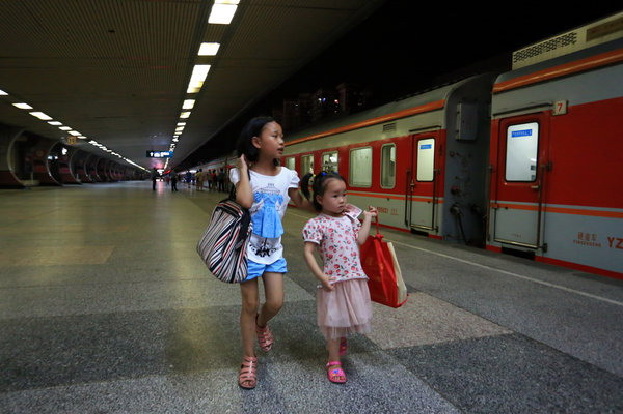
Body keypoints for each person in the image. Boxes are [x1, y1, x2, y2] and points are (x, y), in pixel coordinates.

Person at [230, 116, 313, 389]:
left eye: (281, 136)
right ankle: (248, 359)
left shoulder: (288, 175)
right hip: (247, 251)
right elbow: (244, 201)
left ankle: (261, 325)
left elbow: (300, 202)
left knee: (275, 302)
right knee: (249, 305)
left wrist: (332, 208)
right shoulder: (243, 175)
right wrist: (243, 169)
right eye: (275, 136)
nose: (282, 141)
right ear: (256, 142)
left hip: (274, 251)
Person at [301, 171, 377, 384]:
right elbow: (308, 253)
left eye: (344, 194)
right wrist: (321, 276)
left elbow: (361, 239)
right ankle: (333, 362)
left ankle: (340, 340)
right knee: (334, 322)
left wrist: (367, 218)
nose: (342, 200)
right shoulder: (317, 224)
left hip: (353, 277)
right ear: (319, 199)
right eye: (335, 195)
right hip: (333, 281)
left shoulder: (350, 218)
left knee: (346, 316)